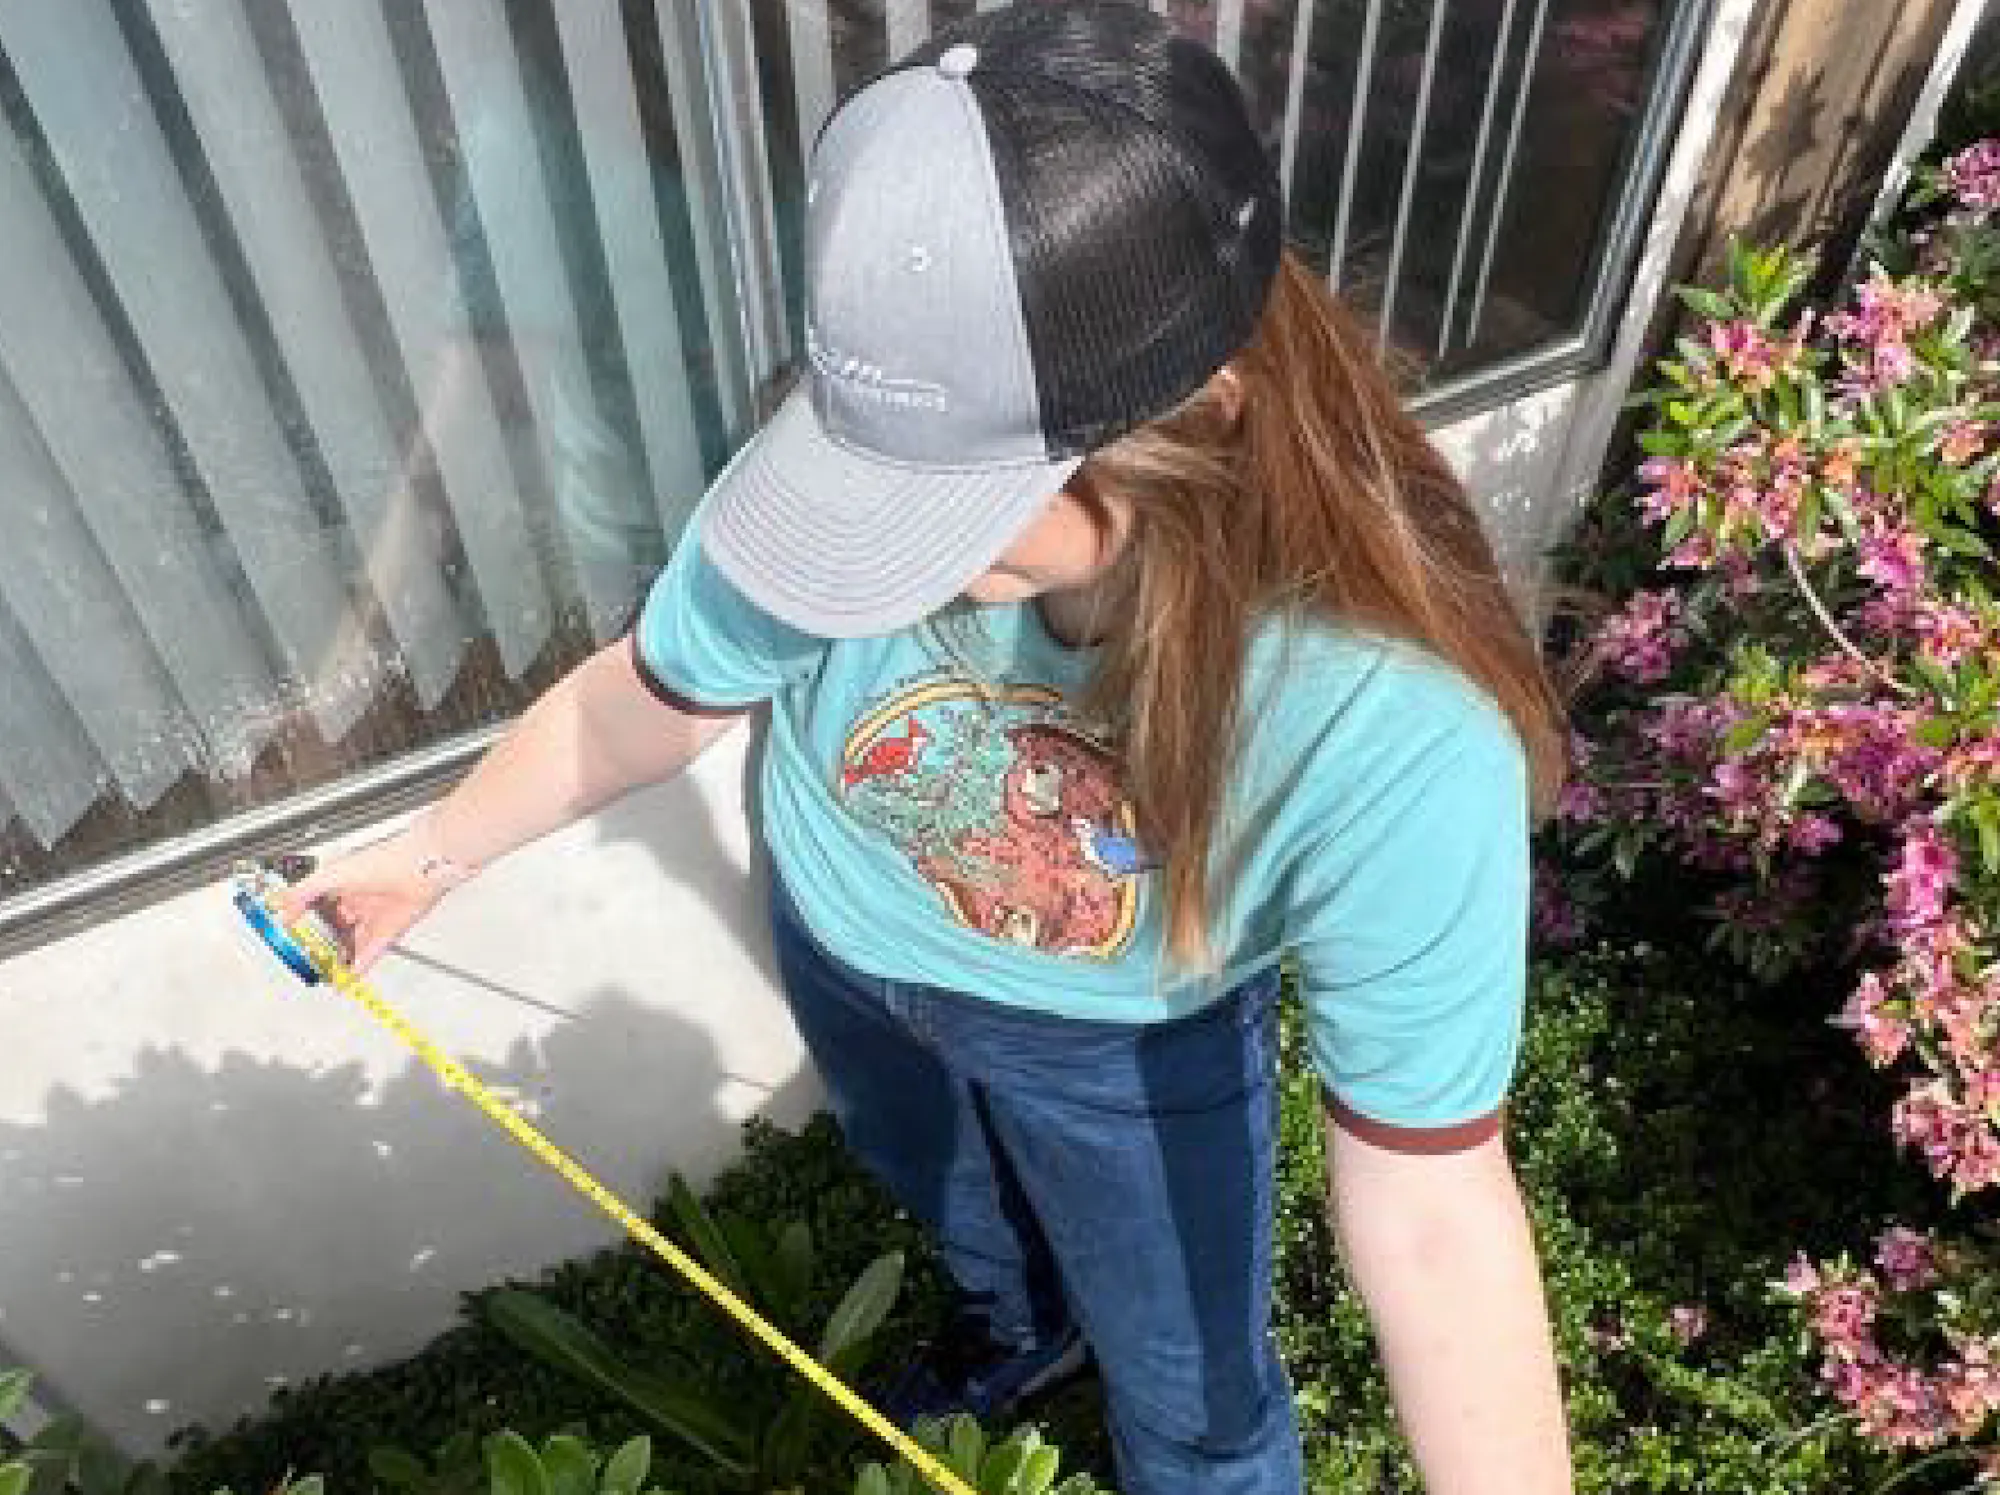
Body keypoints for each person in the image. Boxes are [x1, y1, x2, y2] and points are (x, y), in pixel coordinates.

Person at [278, 5, 1574, 1491]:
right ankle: (1017, 1327)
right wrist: (423, 860)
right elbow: (658, 687)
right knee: (950, 1199)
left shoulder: (1388, 723)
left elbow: (1432, 1214)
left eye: (943, 512)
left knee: (1193, 1378)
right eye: (855, 481)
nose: (866, 558)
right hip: (846, 936)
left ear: (1196, 420)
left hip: (1118, 1043)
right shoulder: (852, 457)